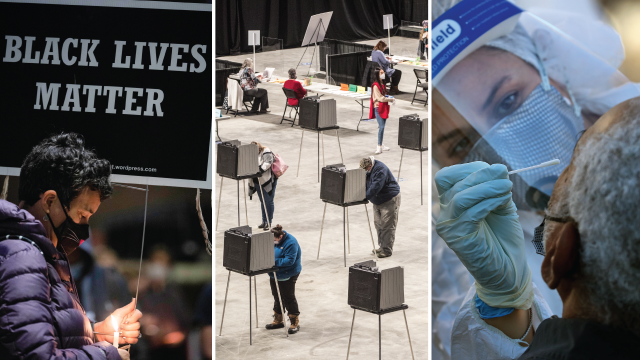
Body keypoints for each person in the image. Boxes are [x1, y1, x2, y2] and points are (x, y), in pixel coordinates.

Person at [430, 2, 640, 359]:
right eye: (463, 145)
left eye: (508, 101)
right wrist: (503, 307)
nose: (502, 152)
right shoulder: (459, 254)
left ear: (554, 73)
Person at [0, 133, 141, 360]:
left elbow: (48, 333)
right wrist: (107, 355)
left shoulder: (42, 256)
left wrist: (97, 332)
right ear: (49, 202)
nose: (84, 230)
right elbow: (37, 357)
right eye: (82, 215)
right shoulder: (23, 257)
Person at [359, 156, 400, 258]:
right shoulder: (367, 170)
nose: (365, 171)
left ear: (370, 165)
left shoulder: (380, 170)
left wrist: (364, 197)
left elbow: (375, 187)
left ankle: (386, 250)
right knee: (378, 224)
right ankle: (382, 247)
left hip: (389, 200)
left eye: (366, 169)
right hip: (377, 201)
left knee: (387, 226)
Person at [265, 224, 302, 334]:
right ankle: (278, 319)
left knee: (288, 297)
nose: (273, 242)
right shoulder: (272, 238)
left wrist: (272, 262)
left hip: (288, 273)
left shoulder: (291, 243)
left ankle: (294, 321)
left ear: (280, 237)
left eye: (274, 240)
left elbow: (289, 261)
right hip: (274, 273)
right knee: (276, 295)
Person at [248, 141, 277, 230]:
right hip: (256, 180)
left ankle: (269, 222)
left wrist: (259, 170)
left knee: (268, 201)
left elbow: (268, 162)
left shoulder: (265, 150)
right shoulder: (251, 154)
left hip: (267, 180)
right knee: (263, 201)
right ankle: (264, 221)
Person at [370, 67, 395, 154]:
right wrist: (390, 100)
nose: (383, 74)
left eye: (383, 72)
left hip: (384, 107)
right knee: (381, 127)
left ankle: (381, 144)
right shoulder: (376, 85)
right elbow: (380, 98)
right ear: (377, 74)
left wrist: (389, 97)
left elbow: (384, 96)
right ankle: (379, 146)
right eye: (381, 73)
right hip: (378, 107)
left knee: (382, 127)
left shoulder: (383, 84)